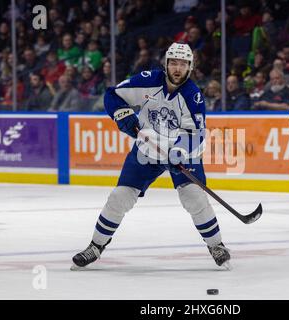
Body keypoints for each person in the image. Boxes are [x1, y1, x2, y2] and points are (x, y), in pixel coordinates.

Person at [72, 43, 231, 270]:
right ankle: (96, 246)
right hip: (147, 150)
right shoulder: (148, 80)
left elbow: (196, 134)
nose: (177, 68)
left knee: (194, 196)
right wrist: (121, 113)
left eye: (183, 64)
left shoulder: (193, 95)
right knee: (119, 196)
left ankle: (216, 245)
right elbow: (112, 95)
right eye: (173, 63)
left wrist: (177, 153)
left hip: (181, 152)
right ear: (165, 64)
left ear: (190, 67)